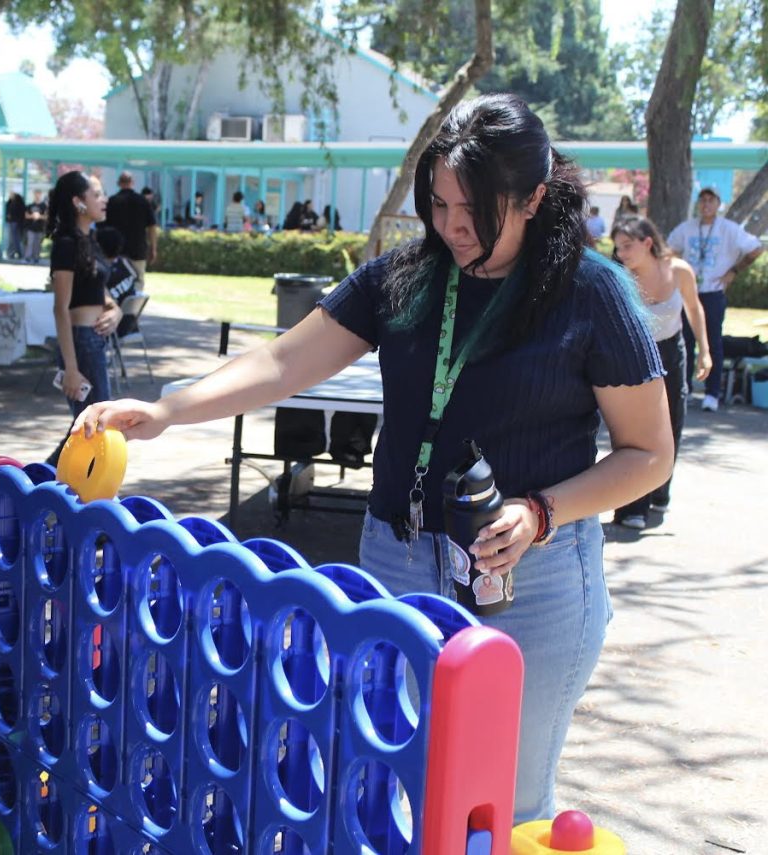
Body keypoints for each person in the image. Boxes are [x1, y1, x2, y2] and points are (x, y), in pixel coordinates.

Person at [75, 94, 673, 824]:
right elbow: (284, 361)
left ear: (534, 199)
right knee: (388, 789)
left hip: (531, 580)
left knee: (502, 806)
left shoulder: (593, 293)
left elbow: (649, 454)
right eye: (440, 202)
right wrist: (169, 409)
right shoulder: (410, 273)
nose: (452, 225)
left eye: (473, 209)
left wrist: (541, 511)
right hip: (395, 560)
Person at [611, 216, 711, 529]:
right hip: (637, 355)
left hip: (672, 349)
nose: (622, 253)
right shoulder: (621, 277)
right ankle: (631, 507)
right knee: (638, 429)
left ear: (648, 243)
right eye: (618, 248)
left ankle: (660, 491)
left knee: (675, 419)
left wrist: (705, 351)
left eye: (627, 246)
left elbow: (694, 309)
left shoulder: (678, 270)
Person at [47, 171, 123, 465]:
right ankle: (39, 484)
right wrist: (70, 367)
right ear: (78, 202)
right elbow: (61, 308)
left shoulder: (88, 240)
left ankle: (41, 486)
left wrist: (115, 310)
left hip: (94, 341)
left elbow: (100, 293)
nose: (103, 200)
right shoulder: (66, 243)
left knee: (91, 424)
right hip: (80, 344)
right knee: (95, 423)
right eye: (97, 195)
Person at [666, 187, 764, 411]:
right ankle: (686, 389)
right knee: (686, 342)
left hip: (713, 293)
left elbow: (756, 249)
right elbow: (668, 249)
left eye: (711, 200)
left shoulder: (729, 229)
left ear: (719, 203)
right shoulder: (688, 228)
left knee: (712, 342)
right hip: (689, 292)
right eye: (702, 200)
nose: (706, 204)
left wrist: (734, 271)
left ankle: (712, 393)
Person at [105, 172, 158, 291]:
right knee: (138, 281)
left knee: (115, 283)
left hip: (115, 251)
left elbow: (104, 228)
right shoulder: (143, 201)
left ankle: (117, 308)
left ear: (119, 183)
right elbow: (152, 226)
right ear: (132, 183)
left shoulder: (112, 202)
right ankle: (134, 308)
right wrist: (153, 248)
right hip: (137, 250)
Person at [96, 224, 140, 337]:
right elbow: (137, 278)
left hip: (113, 327)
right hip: (131, 325)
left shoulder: (102, 273)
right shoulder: (126, 264)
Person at [24, 189, 48, 262]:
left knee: (37, 243)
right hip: (31, 227)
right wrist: (33, 216)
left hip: (40, 228)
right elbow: (26, 215)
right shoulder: (30, 205)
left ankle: (36, 257)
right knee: (30, 242)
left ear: (40, 195)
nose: (37, 196)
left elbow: (47, 216)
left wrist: (39, 216)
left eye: (38, 194)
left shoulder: (44, 206)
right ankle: (28, 257)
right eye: (36, 194)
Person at [5, 191, 27, 259]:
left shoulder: (17, 203)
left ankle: (17, 253)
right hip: (14, 223)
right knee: (14, 239)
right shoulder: (10, 203)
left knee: (15, 239)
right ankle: (16, 253)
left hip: (16, 223)